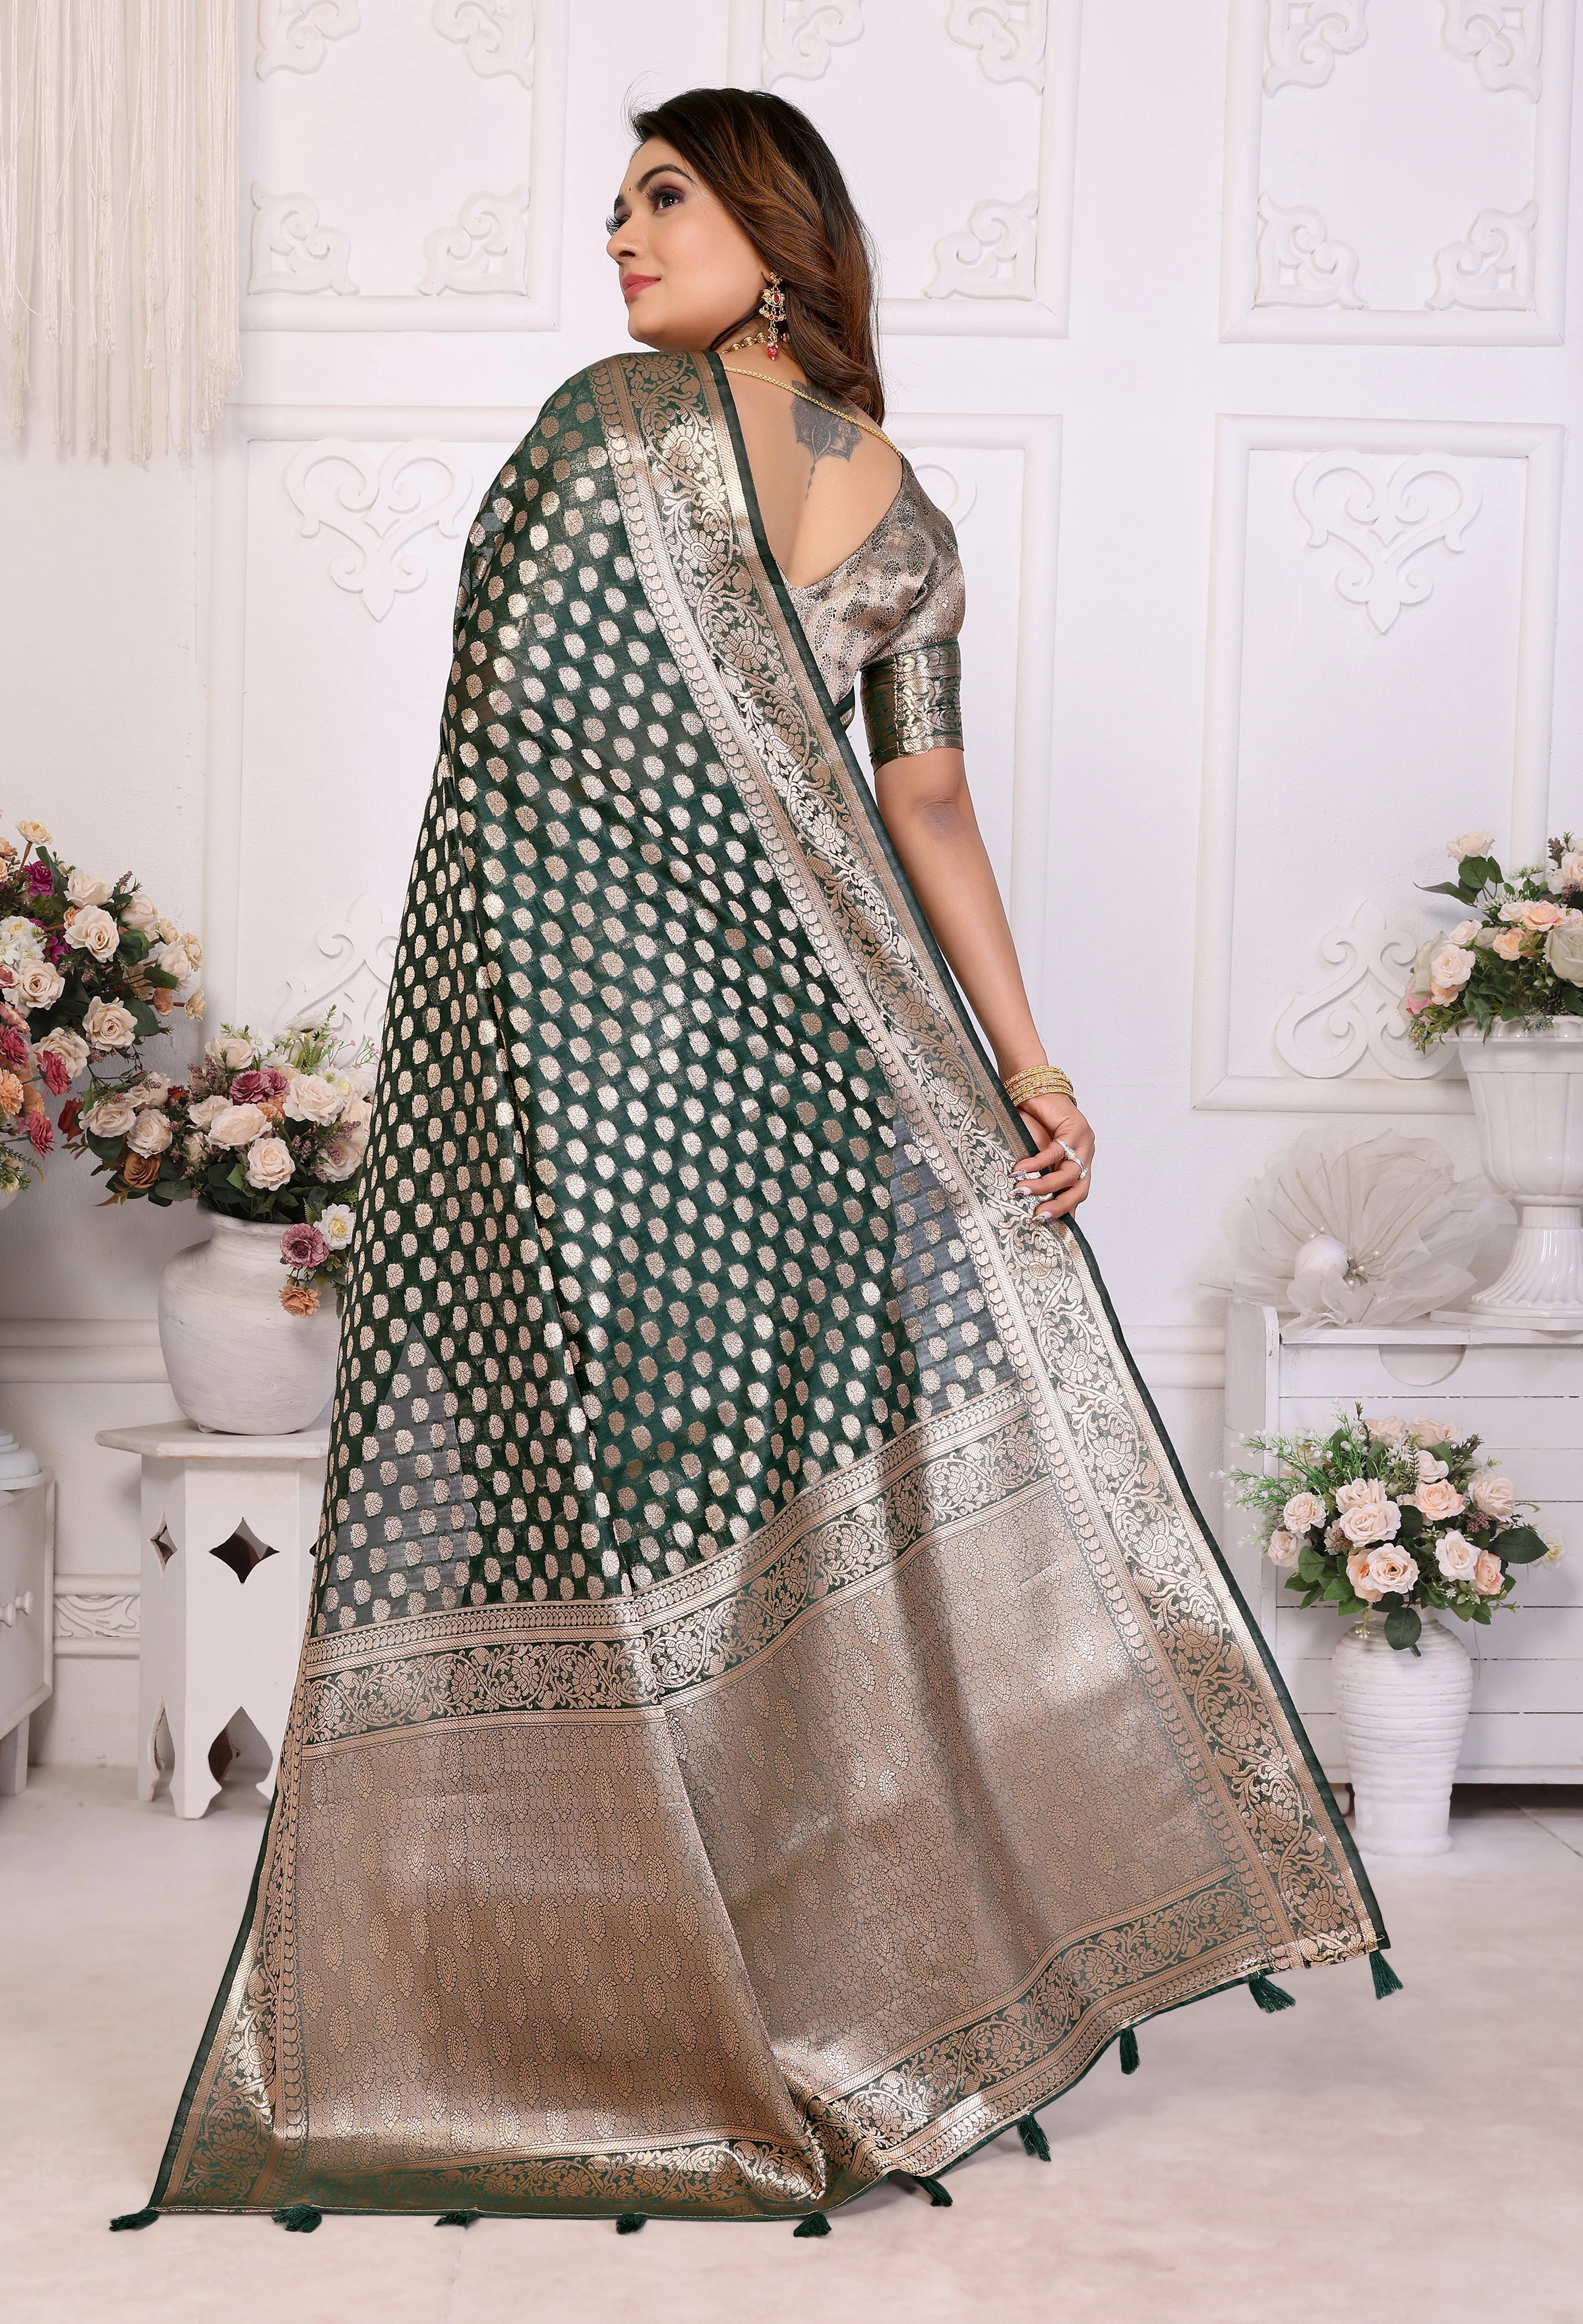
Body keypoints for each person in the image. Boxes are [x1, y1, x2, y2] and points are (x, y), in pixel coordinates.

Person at [121, 87, 1390, 2239]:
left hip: (604, 1086)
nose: (618, 240)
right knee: (778, 1517)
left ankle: (586, 2018)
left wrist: (494, 1063)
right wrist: (1024, 1061)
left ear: (774, 228)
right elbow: (929, 811)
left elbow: (510, 756)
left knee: (602, 1509)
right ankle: (835, 2001)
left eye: (664, 197)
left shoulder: (606, 429)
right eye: (614, 206)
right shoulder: (897, 506)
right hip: (826, 1090)